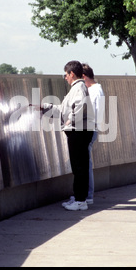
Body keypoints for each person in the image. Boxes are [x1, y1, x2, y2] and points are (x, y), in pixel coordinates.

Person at [38, 61, 95, 211]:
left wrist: (72, 120)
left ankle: (80, 201)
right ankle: (79, 198)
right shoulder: (77, 88)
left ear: (72, 74)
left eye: (66, 74)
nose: (65, 77)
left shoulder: (79, 88)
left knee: (79, 166)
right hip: (80, 130)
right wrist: (45, 108)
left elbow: (80, 106)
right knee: (79, 166)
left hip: (79, 131)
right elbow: (63, 110)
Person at [82, 63, 105, 205]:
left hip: (88, 129)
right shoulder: (98, 89)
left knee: (85, 164)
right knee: (86, 163)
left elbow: (87, 112)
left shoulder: (92, 91)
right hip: (93, 129)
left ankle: (87, 195)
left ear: (84, 77)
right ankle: (86, 194)